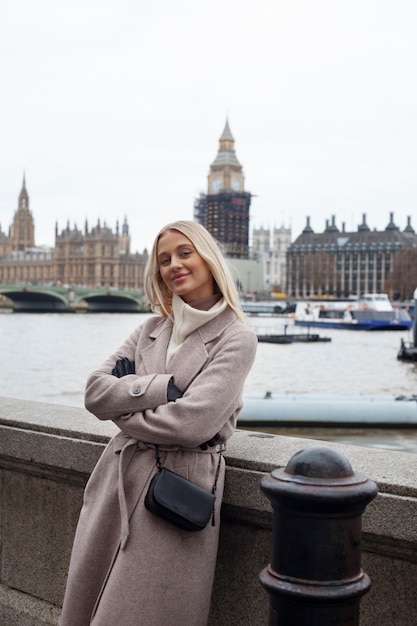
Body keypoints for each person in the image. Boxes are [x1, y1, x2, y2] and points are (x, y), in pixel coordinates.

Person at [60, 220, 257, 626]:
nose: (174, 265)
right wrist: (162, 388)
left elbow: (190, 425)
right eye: (164, 259)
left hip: (176, 491)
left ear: (208, 258)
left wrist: (124, 410)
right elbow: (96, 392)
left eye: (185, 253)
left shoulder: (236, 338)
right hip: (117, 480)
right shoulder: (150, 328)